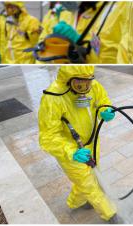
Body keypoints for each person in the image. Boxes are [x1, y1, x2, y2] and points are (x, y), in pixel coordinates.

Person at [38, 66, 120, 223]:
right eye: (79, 85)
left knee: (90, 176)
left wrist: (106, 109)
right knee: (89, 183)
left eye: (87, 83)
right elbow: (47, 136)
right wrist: (70, 151)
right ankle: (110, 214)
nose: (84, 89)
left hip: (92, 142)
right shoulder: (53, 98)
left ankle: (74, 201)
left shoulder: (92, 84)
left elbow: (102, 100)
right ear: (68, 81)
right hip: (71, 151)